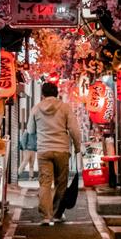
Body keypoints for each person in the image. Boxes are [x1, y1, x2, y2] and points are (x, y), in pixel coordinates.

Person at [27, 82, 81, 226]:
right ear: (57, 93)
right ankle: (57, 213)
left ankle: (46, 216)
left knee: (45, 183)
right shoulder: (65, 108)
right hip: (62, 150)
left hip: (44, 150)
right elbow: (74, 129)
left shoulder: (36, 108)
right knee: (61, 183)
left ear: (42, 94)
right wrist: (77, 147)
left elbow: (30, 130)